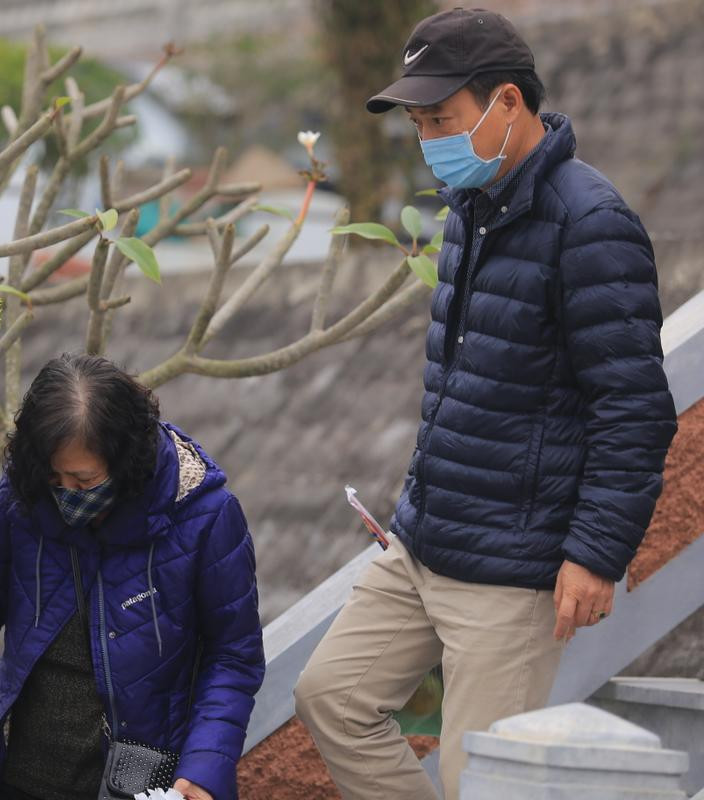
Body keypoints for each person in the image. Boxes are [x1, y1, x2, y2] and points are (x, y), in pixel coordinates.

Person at [294, 8, 678, 799]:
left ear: (508, 103)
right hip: (423, 539)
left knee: (482, 780)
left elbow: (633, 410)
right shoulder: (473, 208)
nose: (429, 139)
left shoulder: (589, 223)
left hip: (512, 570)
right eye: (420, 123)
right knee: (330, 697)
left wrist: (596, 553)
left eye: (442, 119)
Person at [0, 354, 264, 800]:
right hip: (15, 773)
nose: (66, 491)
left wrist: (205, 768)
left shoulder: (204, 516)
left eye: (84, 480)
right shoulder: (27, 492)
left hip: (134, 784)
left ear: (127, 459)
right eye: (55, 477)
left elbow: (233, 658)